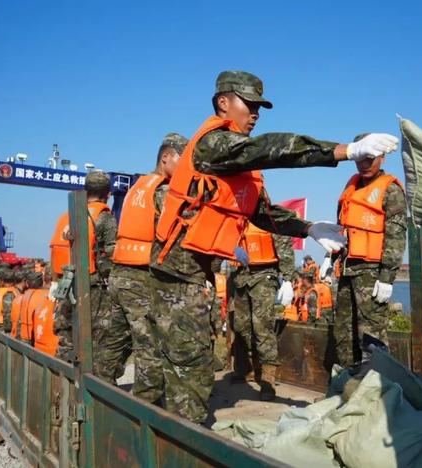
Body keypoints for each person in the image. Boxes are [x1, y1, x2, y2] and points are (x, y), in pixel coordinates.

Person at [150, 70, 398, 423]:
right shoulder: (213, 144)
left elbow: (262, 213)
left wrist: (308, 227)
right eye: (248, 104)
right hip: (176, 273)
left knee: (192, 367)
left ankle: (179, 430)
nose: (255, 113)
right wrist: (343, 151)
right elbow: (269, 148)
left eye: (259, 107)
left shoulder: (238, 164)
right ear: (224, 102)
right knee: (189, 371)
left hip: (193, 273)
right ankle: (178, 442)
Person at [109, 133, 187, 404]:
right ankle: (147, 408)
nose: (186, 167)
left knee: (113, 342)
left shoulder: (138, 186)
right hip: (140, 277)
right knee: (150, 346)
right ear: (166, 157)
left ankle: (97, 390)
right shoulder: (162, 190)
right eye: (182, 159)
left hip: (119, 273)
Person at [333, 134, 407, 367]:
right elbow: (342, 228)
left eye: (371, 158)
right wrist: (331, 258)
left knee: (371, 335)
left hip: (371, 273)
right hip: (346, 269)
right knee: (343, 331)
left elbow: (396, 237)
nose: (365, 164)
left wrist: (387, 278)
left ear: (383, 157)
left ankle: (374, 391)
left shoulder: (391, 190)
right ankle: (344, 385)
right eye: (360, 158)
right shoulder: (351, 186)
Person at [51, 171, 121, 382]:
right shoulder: (104, 217)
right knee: (100, 337)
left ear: (86, 190)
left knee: (67, 337)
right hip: (92, 287)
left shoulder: (67, 216)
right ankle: (99, 387)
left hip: (66, 283)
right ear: (107, 194)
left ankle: (62, 382)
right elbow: (111, 253)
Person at [230, 221, 295, 400]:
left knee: (262, 327)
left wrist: (288, 278)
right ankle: (247, 370)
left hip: (264, 276)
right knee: (241, 326)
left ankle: (268, 380)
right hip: (241, 276)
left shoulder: (266, 218)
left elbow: (283, 244)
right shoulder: (236, 219)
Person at [10, 271, 45, 344]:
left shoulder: (18, 298)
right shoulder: (46, 298)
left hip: (22, 338)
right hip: (38, 339)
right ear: (42, 283)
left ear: (27, 284)